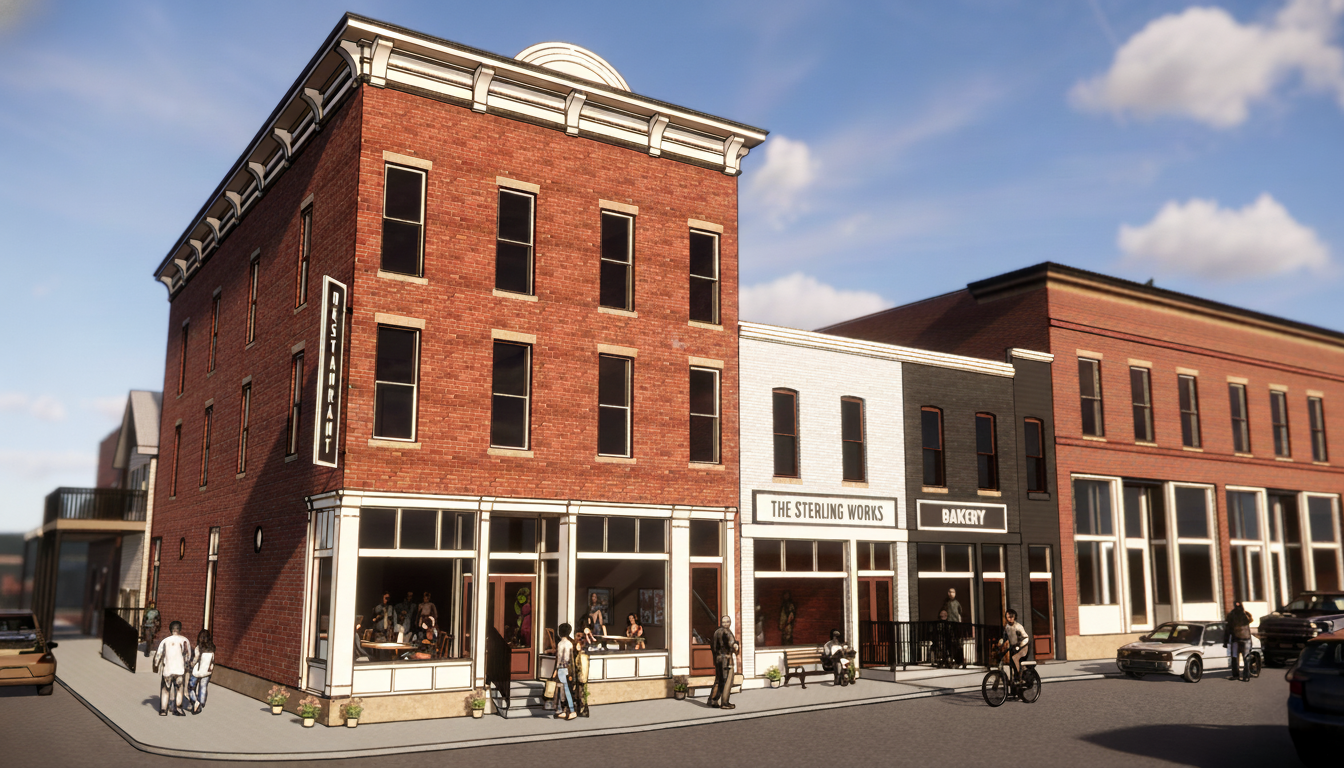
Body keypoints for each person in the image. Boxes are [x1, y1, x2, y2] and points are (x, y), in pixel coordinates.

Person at [153, 620, 191, 716]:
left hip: (167, 670)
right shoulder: (185, 641)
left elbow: (158, 655)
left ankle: (163, 710)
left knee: (165, 690)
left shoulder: (165, 641)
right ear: (180, 629)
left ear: (170, 629)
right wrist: (187, 667)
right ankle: (178, 709)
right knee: (179, 689)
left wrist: (156, 665)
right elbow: (188, 656)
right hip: (179, 670)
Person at [708, 615, 740, 709]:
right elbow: (733, 645)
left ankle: (712, 700)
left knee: (718, 680)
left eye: (727, 622)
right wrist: (736, 646)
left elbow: (712, 647)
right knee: (727, 681)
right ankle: (725, 703)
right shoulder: (727, 632)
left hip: (718, 659)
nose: (726, 623)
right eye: (724, 622)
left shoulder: (716, 632)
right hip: (727, 660)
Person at [552, 623, 578, 720]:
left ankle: (566, 710)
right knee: (567, 690)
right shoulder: (570, 644)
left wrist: (555, 670)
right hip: (568, 669)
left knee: (561, 690)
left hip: (561, 669)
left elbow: (558, 659)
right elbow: (571, 659)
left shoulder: (560, 644)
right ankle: (568, 710)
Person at [187, 629, 215, 714]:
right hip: (207, 672)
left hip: (197, 671)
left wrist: (190, 665)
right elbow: (212, 660)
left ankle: (195, 701)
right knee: (203, 687)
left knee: (191, 687)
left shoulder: (198, 648)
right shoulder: (212, 648)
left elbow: (195, 659)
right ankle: (200, 703)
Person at [1225, 600, 1254, 682]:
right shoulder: (1246, 614)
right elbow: (1251, 620)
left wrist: (1225, 641)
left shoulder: (1231, 615)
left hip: (1236, 640)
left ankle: (1236, 675)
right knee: (1246, 657)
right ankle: (1246, 676)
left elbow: (1228, 629)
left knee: (1235, 657)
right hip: (1246, 639)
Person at [999, 608, 1029, 684]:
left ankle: (1019, 678)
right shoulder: (1007, 627)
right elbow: (1005, 637)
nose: (1010, 619)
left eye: (1012, 617)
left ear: (1015, 617)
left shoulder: (1018, 627)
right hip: (1013, 648)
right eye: (1008, 617)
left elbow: (1026, 637)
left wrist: (1020, 645)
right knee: (1009, 662)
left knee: (1015, 658)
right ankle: (1013, 680)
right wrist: (1001, 644)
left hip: (1022, 647)